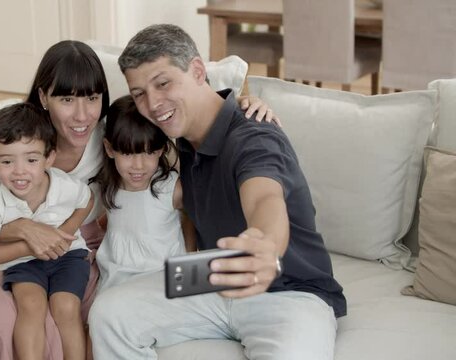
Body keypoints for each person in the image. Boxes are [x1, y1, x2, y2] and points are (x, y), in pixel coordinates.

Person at [0, 39, 279, 360]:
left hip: (81, 250)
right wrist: (24, 228)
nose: (81, 116)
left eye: (92, 98)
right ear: (44, 97)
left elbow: (185, 109)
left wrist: (245, 105)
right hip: (19, 250)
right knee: (5, 325)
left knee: (70, 319)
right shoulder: (17, 148)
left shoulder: (112, 136)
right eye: (66, 100)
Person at [88, 24, 346, 360]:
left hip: (289, 290)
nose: (151, 104)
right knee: (107, 314)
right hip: (209, 274)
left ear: (197, 71)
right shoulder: (178, 135)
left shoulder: (256, 138)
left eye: (163, 83)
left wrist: (267, 245)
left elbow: (265, 197)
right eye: (139, 93)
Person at [0, 102, 93, 359]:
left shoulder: (66, 186)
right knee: (31, 306)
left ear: (49, 158)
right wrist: (30, 247)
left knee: (66, 306)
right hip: (22, 262)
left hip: (68, 257)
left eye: (31, 159)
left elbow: (88, 201)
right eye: (6, 161)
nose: (19, 171)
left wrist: (63, 234)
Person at [92, 95, 194, 293]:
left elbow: (191, 215)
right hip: (116, 278)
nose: (138, 166)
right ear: (110, 149)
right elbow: (121, 218)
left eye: (148, 153)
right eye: (128, 154)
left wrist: (188, 256)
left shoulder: (170, 188)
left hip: (160, 278)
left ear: (162, 149)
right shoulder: (109, 185)